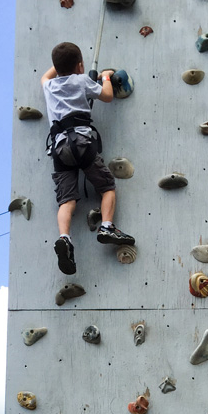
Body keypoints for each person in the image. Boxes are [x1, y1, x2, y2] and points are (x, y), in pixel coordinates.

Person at [41, 41, 135, 276]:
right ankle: (106, 227)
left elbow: (45, 75)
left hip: (60, 147)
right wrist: (104, 76)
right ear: (80, 66)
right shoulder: (83, 81)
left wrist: (63, 65)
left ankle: (65, 237)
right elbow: (107, 96)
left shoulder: (49, 86)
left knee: (67, 201)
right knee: (106, 186)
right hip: (82, 144)